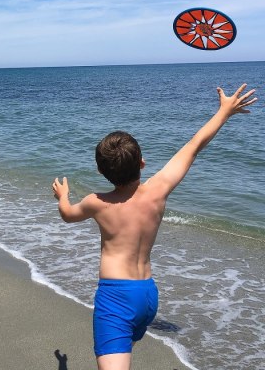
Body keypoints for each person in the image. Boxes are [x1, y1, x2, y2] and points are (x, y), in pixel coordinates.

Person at [52, 84, 257, 370]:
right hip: (147, 297)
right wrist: (224, 112)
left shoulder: (96, 202)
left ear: (101, 171)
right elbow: (193, 146)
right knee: (124, 347)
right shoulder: (157, 192)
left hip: (116, 298)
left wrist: (62, 197)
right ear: (143, 164)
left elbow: (68, 215)